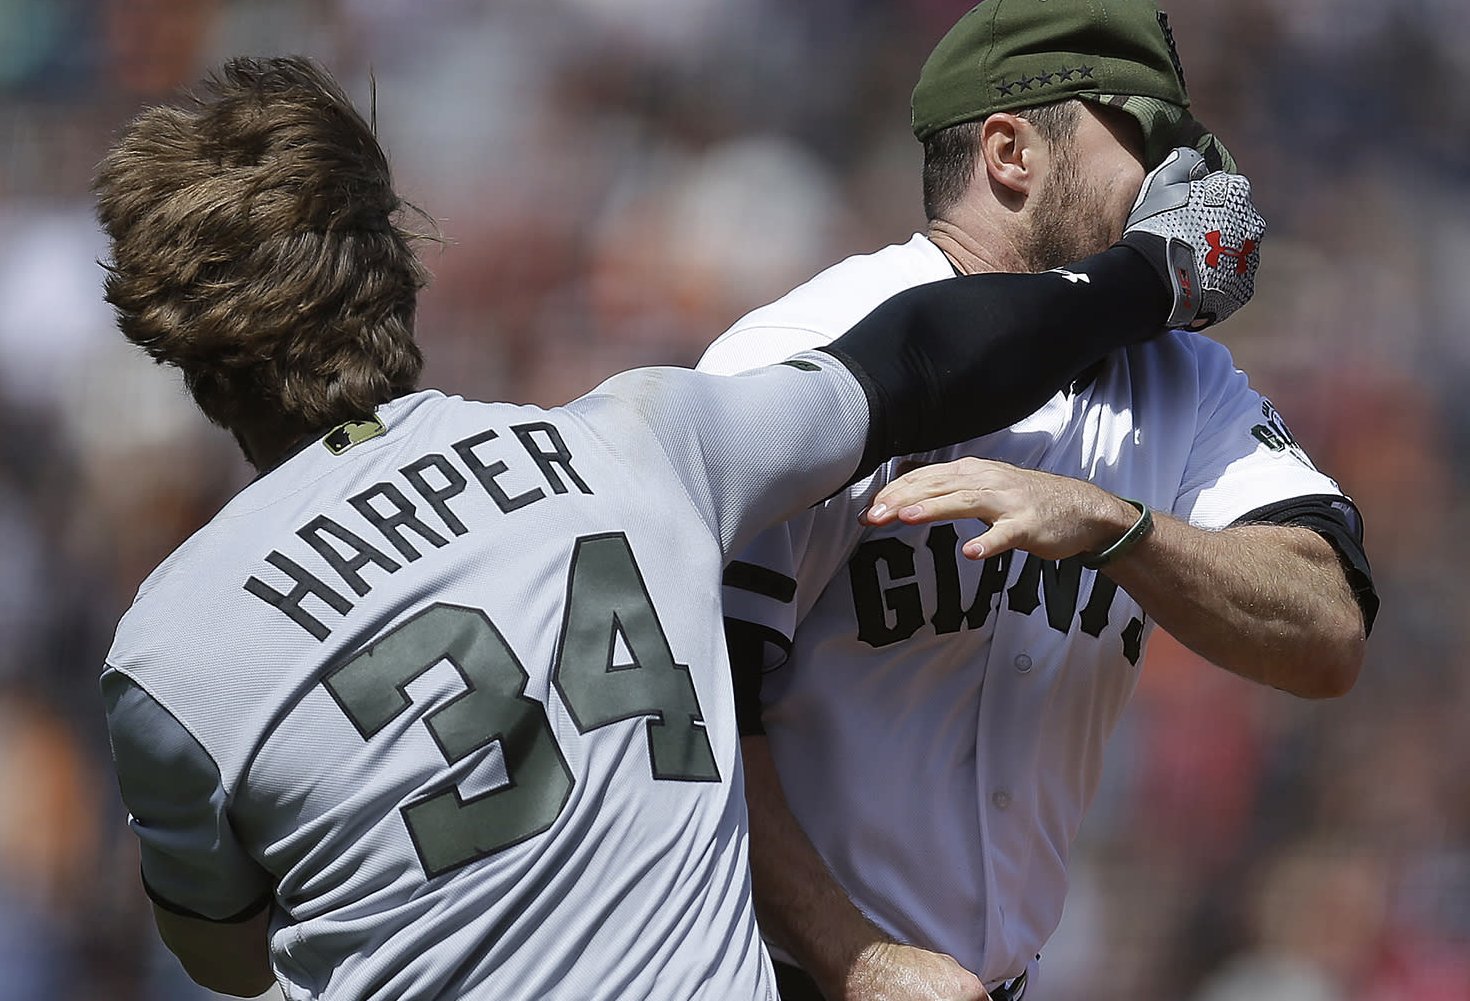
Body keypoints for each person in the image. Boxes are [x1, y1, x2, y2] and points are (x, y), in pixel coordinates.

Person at [92, 56, 1264, 1000]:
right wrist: (1152, 276)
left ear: (183, 353)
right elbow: (923, 358)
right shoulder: (638, 447)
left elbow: (228, 958)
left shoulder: (172, 650)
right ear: (399, 269)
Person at [696, 0, 1379, 1001]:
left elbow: (1327, 631)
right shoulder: (802, 352)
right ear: (1013, 154)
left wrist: (1123, 530)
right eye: (1146, 147)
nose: (1179, 188)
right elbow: (691, 717)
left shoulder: (1180, 382)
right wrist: (857, 959)